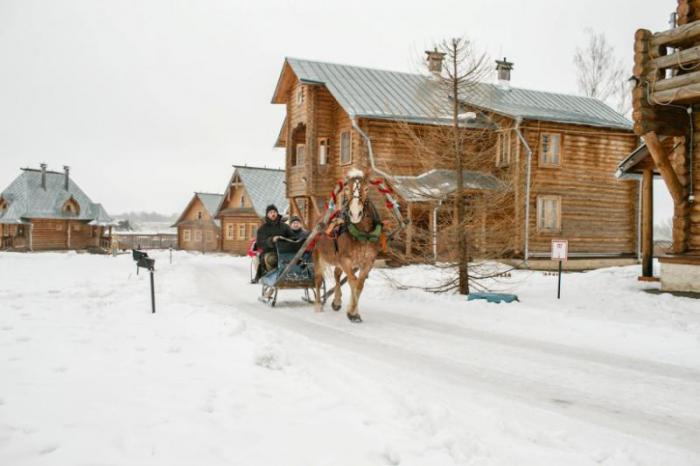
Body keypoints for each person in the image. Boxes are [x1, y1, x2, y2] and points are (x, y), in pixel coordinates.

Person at [255, 204, 293, 274]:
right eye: (271, 212)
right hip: (270, 252)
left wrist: (285, 239)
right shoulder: (262, 229)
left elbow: (292, 237)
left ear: (277, 213)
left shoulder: (285, 226)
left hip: (285, 252)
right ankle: (272, 275)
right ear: (267, 215)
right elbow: (260, 243)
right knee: (271, 260)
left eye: (274, 212)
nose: (273, 214)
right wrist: (271, 240)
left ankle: (293, 275)